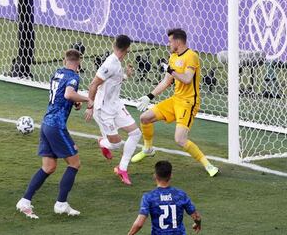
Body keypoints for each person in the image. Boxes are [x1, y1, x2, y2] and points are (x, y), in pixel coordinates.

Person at [16, 49, 92, 219]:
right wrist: (88, 99)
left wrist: (75, 102)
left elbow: (61, 95)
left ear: (65, 60)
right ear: (79, 62)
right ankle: (61, 204)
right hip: (57, 126)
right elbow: (68, 93)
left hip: (46, 123)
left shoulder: (57, 73)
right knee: (74, 163)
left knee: (49, 167)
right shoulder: (74, 77)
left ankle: (25, 201)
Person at [133, 28, 219, 177]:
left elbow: (186, 78)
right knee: (144, 118)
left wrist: (171, 71)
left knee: (180, 139)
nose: (168, 44)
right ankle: (148, 149)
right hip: (175, 99)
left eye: (170, 41)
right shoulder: (173, 56)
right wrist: (149, 96)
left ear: (178, 41)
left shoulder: (192, 56)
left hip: (188, 102)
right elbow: (167, 81)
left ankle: (208, 165)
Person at [85, 35, 142, 185]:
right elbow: (93, 84)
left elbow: (113, 79)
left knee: (136, 133)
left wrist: (125, 75)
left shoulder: (117, 63)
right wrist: (90, 106)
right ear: (127, 49)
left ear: (114, 45)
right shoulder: (110, 63)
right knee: (116, 144)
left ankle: (122, 168)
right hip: (103, 110)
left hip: (116, 105)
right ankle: (103, 142)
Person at [128, 161, 202, 235]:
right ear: (171, 175)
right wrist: (197, 224)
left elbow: (139, 223)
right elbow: (196, 216)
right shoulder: (180, 195)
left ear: (155, 176)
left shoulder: (149, 197)